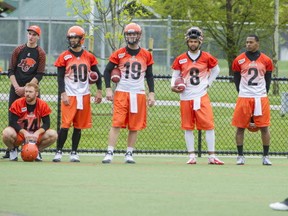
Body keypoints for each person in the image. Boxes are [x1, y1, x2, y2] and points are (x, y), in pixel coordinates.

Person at [102, 22, 155, 164]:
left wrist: (151, 93)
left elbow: (149, 75)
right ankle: (109, 152)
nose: (131, 36)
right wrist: (108, 88)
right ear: (126, 35)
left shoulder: (146, 54)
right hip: (122, 91)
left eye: (134, 34)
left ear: (139, 35)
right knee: (116, 123)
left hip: (138, 92)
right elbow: (107, 71)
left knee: (134, 125)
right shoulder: (119, 53)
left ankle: (129, 153)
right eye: (129, 34)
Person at [171, 26, 224, 165]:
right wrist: (173, 86)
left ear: (200, 42)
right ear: (187, 42)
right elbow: (175, 74)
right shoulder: (181, 58)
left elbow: (216, 70)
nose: (193, 44)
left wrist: (208, 83)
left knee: (209, 126)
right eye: (191, 41)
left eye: (195, 41)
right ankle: (192, 155)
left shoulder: (206, 56)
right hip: (185, 96)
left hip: (201, 96)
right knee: (188, 127)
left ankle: (212, 156)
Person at [53, 25, 102, 162]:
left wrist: (99, 90)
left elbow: (97, 74)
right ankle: (59, 151)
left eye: (75, 37)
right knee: (65, 125)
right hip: (70, 94)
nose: (73, 40)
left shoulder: (89, 56)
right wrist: (63, 93)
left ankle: (74, 152)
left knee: (78, 126)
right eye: (71, 37)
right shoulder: (64, 56)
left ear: (82, 39)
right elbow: (60, 77)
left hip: (84, 94)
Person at [2, 25, 46, 159]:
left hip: (32, 89)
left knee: (33, 118)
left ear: (38, 36)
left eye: (34, 34)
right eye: (29, 34)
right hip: (16, 88)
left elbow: (39, 74)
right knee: (13, 117)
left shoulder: (40, 53)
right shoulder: (18, 50)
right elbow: (11, 70)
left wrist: (28, 89)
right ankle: (12, 148)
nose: (31, 36)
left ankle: (33, 147)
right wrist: (17, 87)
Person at [232, 35, 273, 165]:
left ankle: (266, 156)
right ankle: (240, 156)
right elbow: (237, 79)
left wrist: (262, 92)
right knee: (240, 127)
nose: (248, 44)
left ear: (257, 43)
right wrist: (242, 92)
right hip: (244, 97)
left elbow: (268, 79)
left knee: (264, 127)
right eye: (247, 42)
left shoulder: (266, 60)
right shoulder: (239, 60)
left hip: (260, 97)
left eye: (251, 42)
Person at [2, 82, 57, 161]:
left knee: (53, 134)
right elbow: (12, 122)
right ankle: (13, 149)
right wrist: (24, 132)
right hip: (20, 134)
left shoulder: (42, 105)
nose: (27, 94)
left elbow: (46, 124)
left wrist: (37, 133)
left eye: (30, 92)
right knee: (6, 133)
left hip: (35, 135)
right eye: (26, 91)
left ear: (36, 93)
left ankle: (36, 150)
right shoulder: (17, 103)